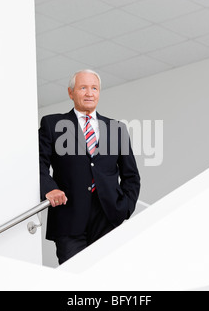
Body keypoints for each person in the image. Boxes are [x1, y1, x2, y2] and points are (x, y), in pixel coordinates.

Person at [38, 70, 141, 264]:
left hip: (108, 216)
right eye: (83, 88)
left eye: (94, 88)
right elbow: (38, 163)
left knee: (107, 277)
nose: (89, 93)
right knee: (75, 277)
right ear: (71, 93)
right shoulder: (53, 124)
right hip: (69, 216)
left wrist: (125, 207)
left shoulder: (116, 129)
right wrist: (49, 188)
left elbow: (131, 176)